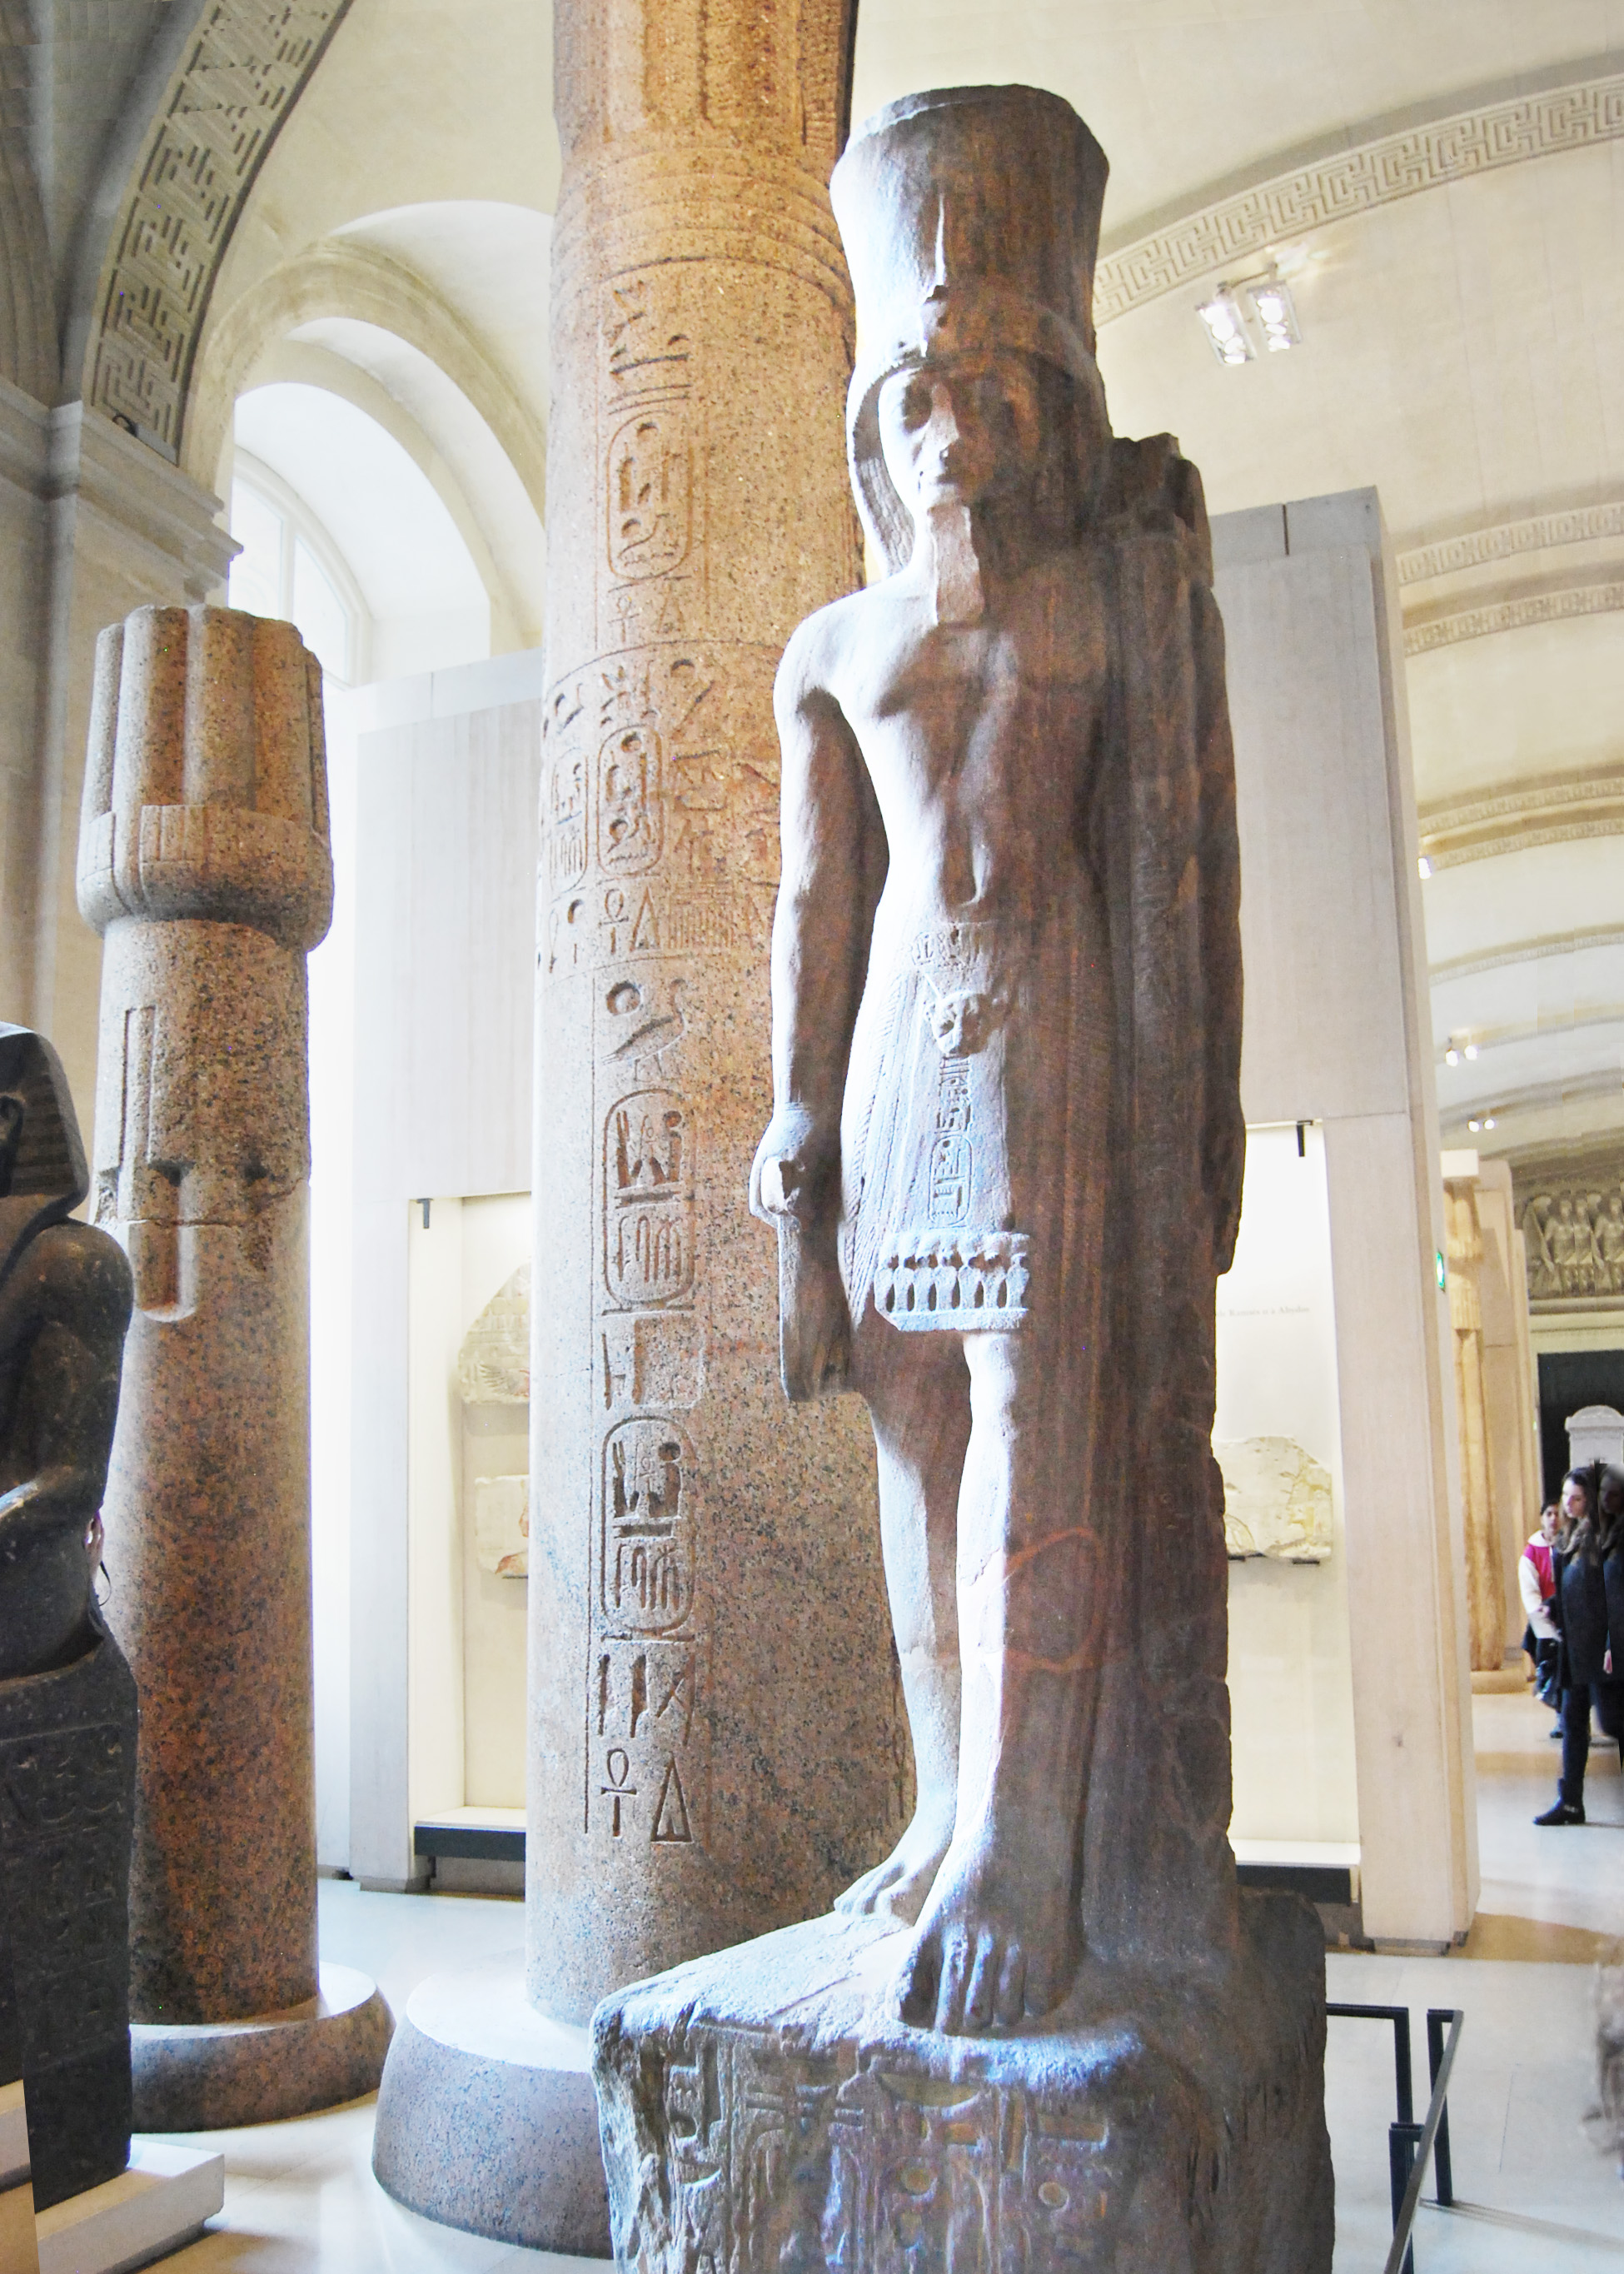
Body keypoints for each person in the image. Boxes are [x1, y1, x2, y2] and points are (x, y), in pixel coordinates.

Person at [751, 87, 1244, 2032]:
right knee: (915, 1428)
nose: (949, 431)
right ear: (871, 429)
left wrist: (1200, 1098)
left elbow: (1184, 856)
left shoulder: (1108, 602)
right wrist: (795, 1119)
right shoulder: (829, 648)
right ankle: (946, 1795)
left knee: (1036, 1414)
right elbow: (816, 904)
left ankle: (1025, 1850)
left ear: (1050, 407)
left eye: (989, 394)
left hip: (1050, 1032)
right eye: (912, 399)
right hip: (896, 1052)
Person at [1535, 1462, 1624, 1825]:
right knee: (1573, 1723)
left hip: (1601, 1651)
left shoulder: (1604, 1539)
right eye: (1566, 1498)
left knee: (1615, 1722)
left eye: (1577, 1498)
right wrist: (1552, 1606)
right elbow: (1571, 1592)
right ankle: (1570, 1801)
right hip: (1576, 1650)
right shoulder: (1568, 1541)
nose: (1569, 1505)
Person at [1520, 1501, 1562, 1728]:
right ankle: (1562, 1718)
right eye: (1549, 1514)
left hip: (1568, 1619)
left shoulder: (1568, 1544)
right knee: (1553, 1672)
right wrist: (1544, 1618)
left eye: (1557, 1513)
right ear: (1542, 1518)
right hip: (1545, 1621)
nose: (1554, 1518)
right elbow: (1530, 1591)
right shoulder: (1532, 1553)